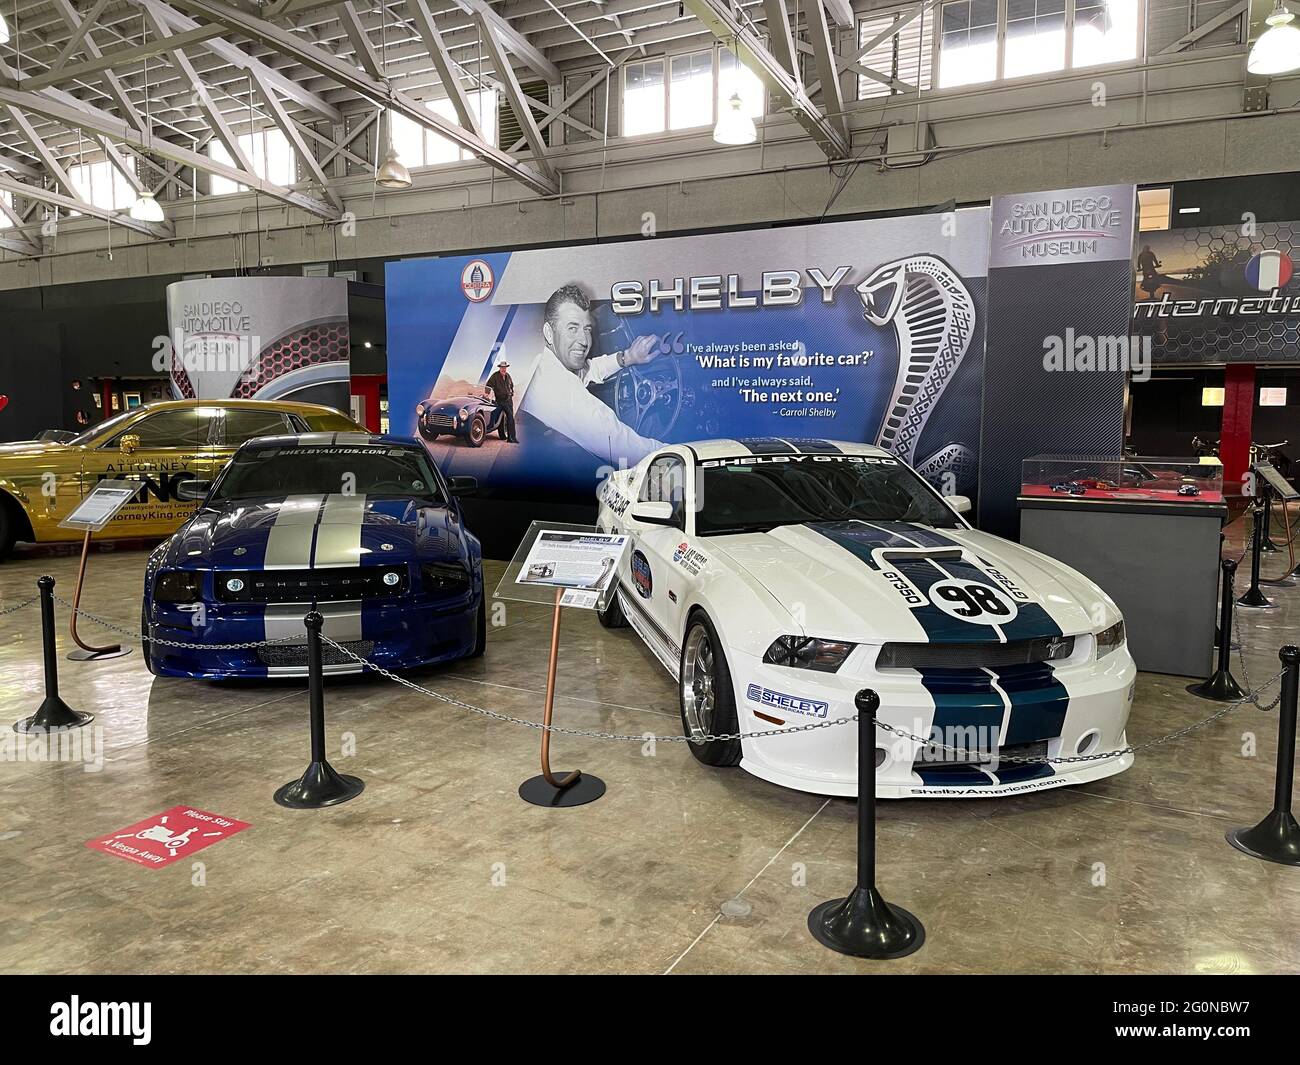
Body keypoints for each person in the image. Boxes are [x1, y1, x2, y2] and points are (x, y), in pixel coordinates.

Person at [517, 284, 664, 467]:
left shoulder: (543, 364)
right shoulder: (562, 392)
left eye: (586, 329)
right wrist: (680, 453)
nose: (584, 340)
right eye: (572, 328)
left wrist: (627, 357)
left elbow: (587, 370)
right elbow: (623, 446)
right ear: (548, 332)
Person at [484, 358, 518, 443]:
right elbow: (489, 384)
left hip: (508, 401)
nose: (503, 369)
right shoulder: (495, 376)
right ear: (500, 368)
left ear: (506, 368)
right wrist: (487, 393)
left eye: (505, 367)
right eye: (502, 367)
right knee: (496, 417)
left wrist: (511, 393)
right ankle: (492, 433)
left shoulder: (508, 376)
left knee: (510, 418)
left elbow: (511, 386)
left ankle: (512, 438)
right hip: (499, 401)